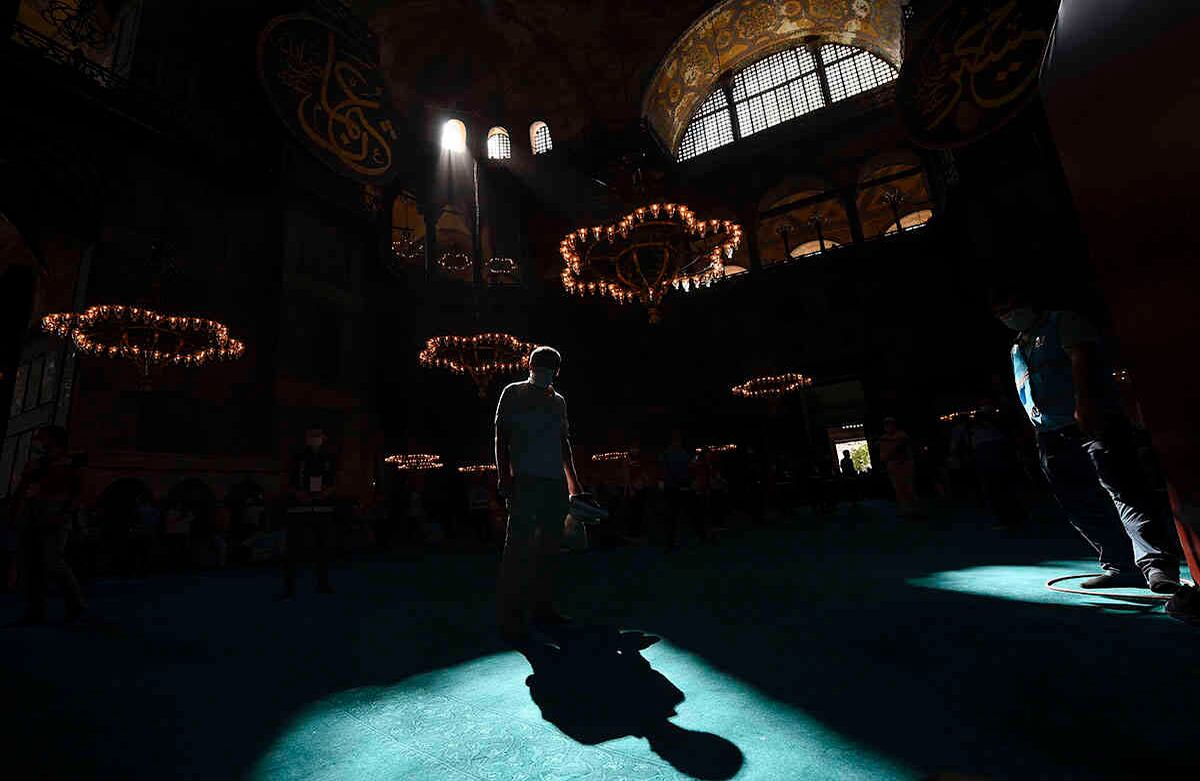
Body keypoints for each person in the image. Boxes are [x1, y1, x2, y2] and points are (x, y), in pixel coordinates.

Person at [993, 293, 1179, 592]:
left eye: (1010, 307)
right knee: (1078, 503)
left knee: (1125, 492)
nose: (1006, 315)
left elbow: (1082, 356)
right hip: (1050, 433)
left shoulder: (1062, 321)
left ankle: (1158, 566)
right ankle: (1120, 565)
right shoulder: (1017, 346)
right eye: (1000, 312)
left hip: (1092, 423)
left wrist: (1085, 402)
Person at [495, 345, 582, 644]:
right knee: (517, 550)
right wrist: (504, 476)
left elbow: (564, 444)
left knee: (549, 550)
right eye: (539, 365)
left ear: (556, 371)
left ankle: (543, 609)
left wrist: (574, 485)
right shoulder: (512, 393)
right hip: (525, 481)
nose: (543, 371)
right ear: (530, 366)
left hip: (554, 483)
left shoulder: (559, 402)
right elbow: (501, 438)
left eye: (549, 366)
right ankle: (512, 617)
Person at [8, 426, 86, 625]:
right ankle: (36, 610)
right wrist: (15, 513)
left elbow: (77, 493)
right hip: (32, 514)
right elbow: (22, 489)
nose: (37, 442)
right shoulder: (36, 464)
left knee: (53, 562)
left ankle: (75, 605)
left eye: (42, 438)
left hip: (54, 516)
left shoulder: (69, 464)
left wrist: (64, 515)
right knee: (30, 565)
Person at [279, 426, 336, 599]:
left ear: (323, 438)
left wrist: (326, 493)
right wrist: (298, 494)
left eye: (318, 435)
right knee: (293, 549)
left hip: (322, 508)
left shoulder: (328, 458)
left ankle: (323, 583)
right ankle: (289, 587)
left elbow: (333, 482)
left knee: (323, 548)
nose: (315, 438)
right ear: (306, 438)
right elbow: (287, 480)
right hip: (298, 508)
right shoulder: (297, 458)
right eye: (312, 436)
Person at [659, 430, 695, 549]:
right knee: (676, 515)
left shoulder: (672, 453)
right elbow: (689, 468)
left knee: (675, 515)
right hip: (676, 487)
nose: (677, 443)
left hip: (676, 487)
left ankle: (672, 542)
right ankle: (671, 541)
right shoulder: (673, 453)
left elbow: (689, 468)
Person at [878, 417, 919, 517]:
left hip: (904, 464)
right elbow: (883, 453)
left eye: (890, 424)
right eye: (886, 425)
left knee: (908, 487)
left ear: (894, 425)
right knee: (898, 489)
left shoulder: (901, 435)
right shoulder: (884, 438)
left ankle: (915, 509)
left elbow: (903, 445)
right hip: (892, 465)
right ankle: (906, 510)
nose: (888, 427)